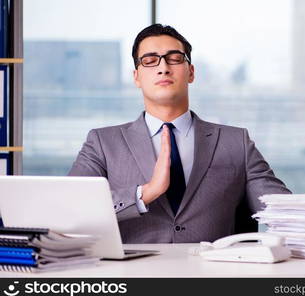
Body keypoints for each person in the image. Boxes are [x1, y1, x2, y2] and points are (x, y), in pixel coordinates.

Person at [69, 24, 291, 243]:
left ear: (191, 72)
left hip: (212, 275)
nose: (163, 67)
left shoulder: (236, 143)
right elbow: (72, 209)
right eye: (150, 60)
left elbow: (284, 210)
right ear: (137, 77)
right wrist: (145, 193)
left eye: (174, 58)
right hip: (133, 275)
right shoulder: (102, 143)